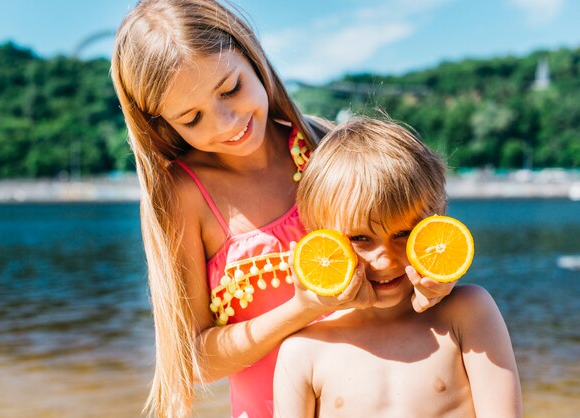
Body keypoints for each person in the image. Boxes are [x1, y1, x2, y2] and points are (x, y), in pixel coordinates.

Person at [110, 1, 458, 416]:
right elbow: (195, 359)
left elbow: (417, 251)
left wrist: (434, 286)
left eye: (230, 89)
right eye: (192, 117)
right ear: (162, 125)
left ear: (252, 56)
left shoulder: (328, 148)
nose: (224, 122)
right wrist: (303, 308)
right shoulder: (185, 196)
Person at [273, 116, 522, 417]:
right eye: (361, 238)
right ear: (321, 242)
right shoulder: (302, 352)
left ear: (435, 224)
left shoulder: (468, 313)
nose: (385, 259)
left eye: (403, 234)